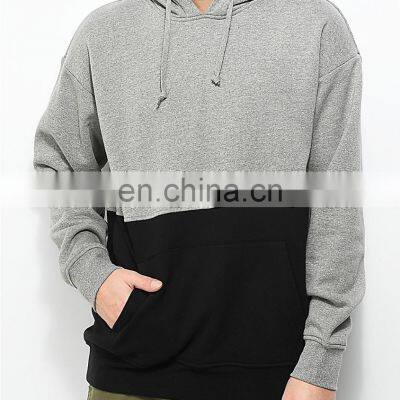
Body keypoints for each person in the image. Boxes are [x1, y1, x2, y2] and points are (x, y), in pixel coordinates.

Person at [33, 0, 365, 399]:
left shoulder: (316, 26)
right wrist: (93, 273)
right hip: (131, 364)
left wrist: (321, 358)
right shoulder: (104, 32)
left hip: (276, 372)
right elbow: (61, 162)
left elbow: (337, 204)